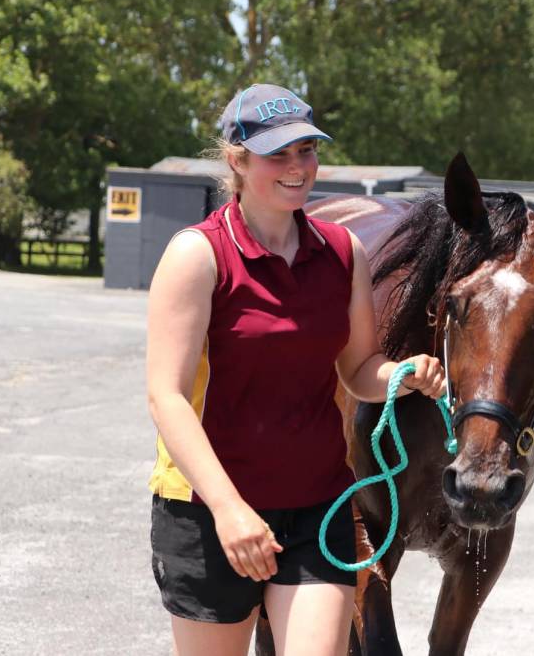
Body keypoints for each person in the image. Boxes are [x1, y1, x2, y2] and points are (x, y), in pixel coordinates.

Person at [145, 84, 447, 656]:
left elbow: (358, 368)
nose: (297, 167)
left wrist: (401, 375)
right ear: (236, 159)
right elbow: (167, 398)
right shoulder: (197, 255)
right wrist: (231, 511)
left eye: (305, 150)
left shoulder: (342, 252)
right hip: (209, 511)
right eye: (277, 154)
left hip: (317, 506)